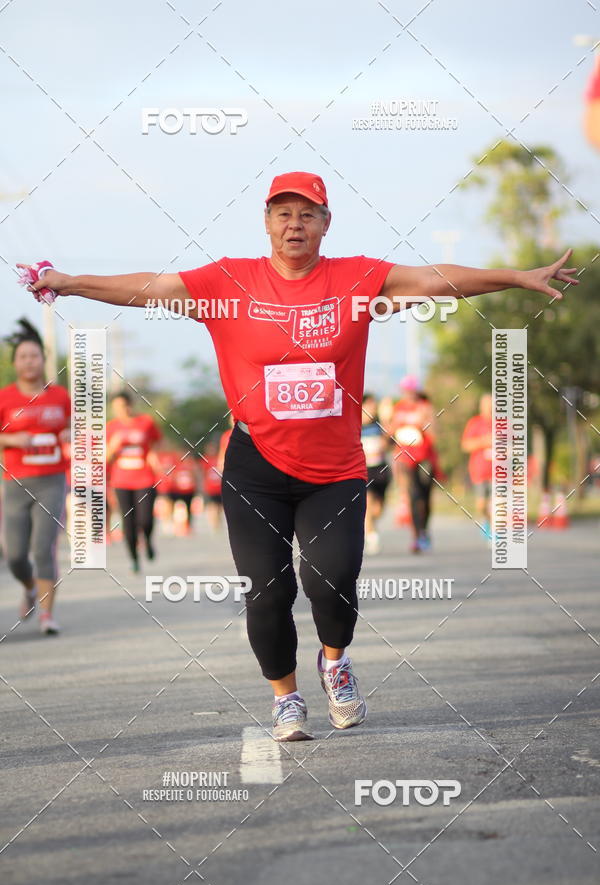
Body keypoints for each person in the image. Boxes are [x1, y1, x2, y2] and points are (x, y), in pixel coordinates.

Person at [21, 170, 578, 740]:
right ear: (266, 223)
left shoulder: (357, 278)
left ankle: (334, 661)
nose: (295, 224)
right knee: (267, 591)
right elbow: (145, 288)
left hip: (334, 469)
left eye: (307, 213)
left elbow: (438, 280)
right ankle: (285, 698)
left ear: (325, 223)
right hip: (254, 467)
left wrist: (515, 276)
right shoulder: (227, 283)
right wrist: (69, 283)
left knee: (332, 580)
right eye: (283, 213)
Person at [0, 318, 69, 634]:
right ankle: (29, 587)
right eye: (23, 356)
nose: (29, 361)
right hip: (15, 482)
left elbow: (78, 431)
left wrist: (70, 434)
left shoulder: (60, 397)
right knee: (15, 556)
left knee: (43, 548)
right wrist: (11, 439)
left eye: (35, 355)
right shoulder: (5, 398)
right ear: (15, 363)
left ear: (44, 359)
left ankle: (48, 615)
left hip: (52, 481)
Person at [106, 391, 161, 572]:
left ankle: (147, 539)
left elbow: (155, 444)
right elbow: (104, 458)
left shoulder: (145, 422)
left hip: (145, 478)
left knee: (145, 519)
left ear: (130, 405)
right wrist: (113, 448)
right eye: (116, 408)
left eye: (123, 406)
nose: (121, 410)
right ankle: (134, 558)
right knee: (128, 521)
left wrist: (155, 460)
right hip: (122, 481)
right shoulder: (111, 428)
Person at [387, 376, 440, 553]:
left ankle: (424, 530)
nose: (408, 393)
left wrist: (425, 422)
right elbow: (390, 432)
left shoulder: (425, 407)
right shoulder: (398, 408)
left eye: (411, 390)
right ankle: (417, 536)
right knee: (413, 496)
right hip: (405, 458)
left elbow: (434, 434)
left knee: (425, 497)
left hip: (425, 457)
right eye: (405, 390)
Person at [361, 393, 391, 555]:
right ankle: (371, 536)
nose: (372, 409)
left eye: (374, 406)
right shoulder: (355, 426)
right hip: (364, 470)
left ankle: (372, 526)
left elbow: (389, 445)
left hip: (381, 470)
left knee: (378, 509)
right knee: (369, 503)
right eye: (369, 406)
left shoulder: (379, 426)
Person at [461, 393, 493, 540]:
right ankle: (487, 521)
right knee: (481, 505)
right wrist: (484, 442)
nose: (489, 408)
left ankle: (495, 532)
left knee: (497, 505)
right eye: (486, 405)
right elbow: (465, 445)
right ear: (481, 407)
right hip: (479, 471)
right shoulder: (475, 423)